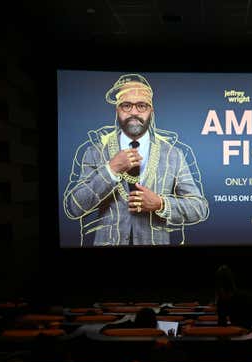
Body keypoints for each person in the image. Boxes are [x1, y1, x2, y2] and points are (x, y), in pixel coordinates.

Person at [63, 73, 209, 246]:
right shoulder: (92, 152)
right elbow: (73, 208)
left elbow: (199, 208)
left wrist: (161, 204)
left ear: (151, 110)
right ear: (117, 109)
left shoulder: (175, 154)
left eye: (141, 106)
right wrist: (111, 170)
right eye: (126, 105)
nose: (134, 112)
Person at [215, 265, 252, 330]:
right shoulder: (242, 295)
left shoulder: (223, 299)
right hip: (250, 326)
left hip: (244, 328)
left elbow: (222, 323)